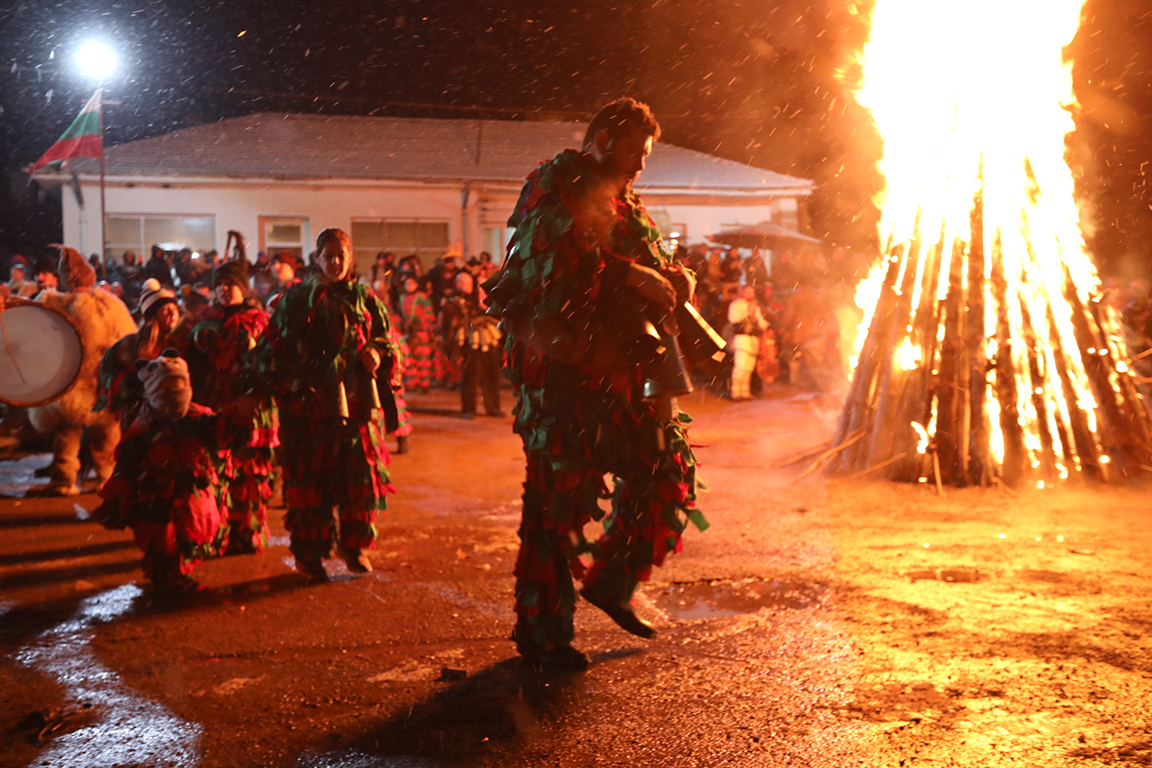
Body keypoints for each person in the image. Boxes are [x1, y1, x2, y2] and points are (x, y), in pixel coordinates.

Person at [487, 97, 706, 669]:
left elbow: (644, 260)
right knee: (556, 508)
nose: (639, 166)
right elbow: (546, 268)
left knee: (666, 469)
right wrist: (629, 273)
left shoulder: (625, 200)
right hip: (563, 379)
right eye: (635, 152)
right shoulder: (553, 182)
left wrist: (672, 277)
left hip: (623, 376)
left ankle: (611, 582)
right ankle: (543, 633)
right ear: (605, 138)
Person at [253, 227, 397, 580]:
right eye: (328, 256)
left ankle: (354, 547)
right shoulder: (297, 298)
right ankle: (310, 555)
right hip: (311, 407)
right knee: (310, 483)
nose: (335, 263)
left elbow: (386, 338)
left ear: (350, 258)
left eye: (341, 256)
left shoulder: (366, 299)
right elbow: (273, 345)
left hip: (357, 404)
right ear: (316, 259)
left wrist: (377, 354)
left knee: (358, 480)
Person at [95, 352, 240, 594]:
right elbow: (129, 457)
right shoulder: (142, 424)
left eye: (180, 383)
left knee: (189, 532)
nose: (175, 390)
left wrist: (236, 419)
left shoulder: (198, 417)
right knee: (162, 536)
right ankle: (167, 577)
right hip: (156, 492)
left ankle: (179, 573)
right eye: (168, 385)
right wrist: (122, 484)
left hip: (190, 490)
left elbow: (222, 435)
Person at [184, 257, 278, 553]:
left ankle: (247, 531)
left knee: (250, 471)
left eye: (230, 285)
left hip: (249, 404)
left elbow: (269, 361)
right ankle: (217, 532)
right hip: (215, 404)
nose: (225, 290)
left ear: (243, 288)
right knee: (218, 469)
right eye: (220, 285)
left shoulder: (258, 319)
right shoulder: (204, 320)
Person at [26, 247, 137, 495]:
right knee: (104, 436)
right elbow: (128, 341)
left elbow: (30, 334)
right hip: (101, 384)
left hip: (66, 382)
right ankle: (107, 479)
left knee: (67, 433)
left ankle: (64, 479)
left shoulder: (52, 303)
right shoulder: (108, 305)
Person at [95, 278, 188, 429]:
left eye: (175, 308)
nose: (173, 313)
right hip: (138, 417)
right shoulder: (130, 345)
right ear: (153, 316)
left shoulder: (181, 341)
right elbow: (108, 377)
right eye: (165, 309)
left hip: (172, 415)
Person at [443, 270, 503, 418]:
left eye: (471, 283)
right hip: (468, 343)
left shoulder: (479, 298)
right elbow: (452, 327)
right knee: (471, 376)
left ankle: (493, 407)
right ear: (458, 284)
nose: (470, 286)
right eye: (466, 283)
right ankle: (469, 409)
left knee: (492, 374)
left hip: (486, 340)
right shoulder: (453, 301)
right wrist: (455, 350)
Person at [398, 275, 442, 392]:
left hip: (421, 332)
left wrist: (420, 323)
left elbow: (429, 316)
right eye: (407, 284)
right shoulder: (402, 298)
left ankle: (424, 384)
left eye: (411, 283)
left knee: (422, 359)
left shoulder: (423, 298)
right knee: (410, 359)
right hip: (408, 333)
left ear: (417, 285)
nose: (409, 286)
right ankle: (413, 383)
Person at [727, 284, 769, 400]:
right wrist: (746, 311)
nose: (750, 294)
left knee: (748, 368)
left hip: (753, 340)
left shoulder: (755, 307)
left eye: (752, 292)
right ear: (743, 293)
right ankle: (735, 393)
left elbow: (761, 321)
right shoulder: (736, 304)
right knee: (740, 366)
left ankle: (745, 393)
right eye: (748, 292)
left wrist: (768, 326)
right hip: (742, 339)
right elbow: (733, 319)